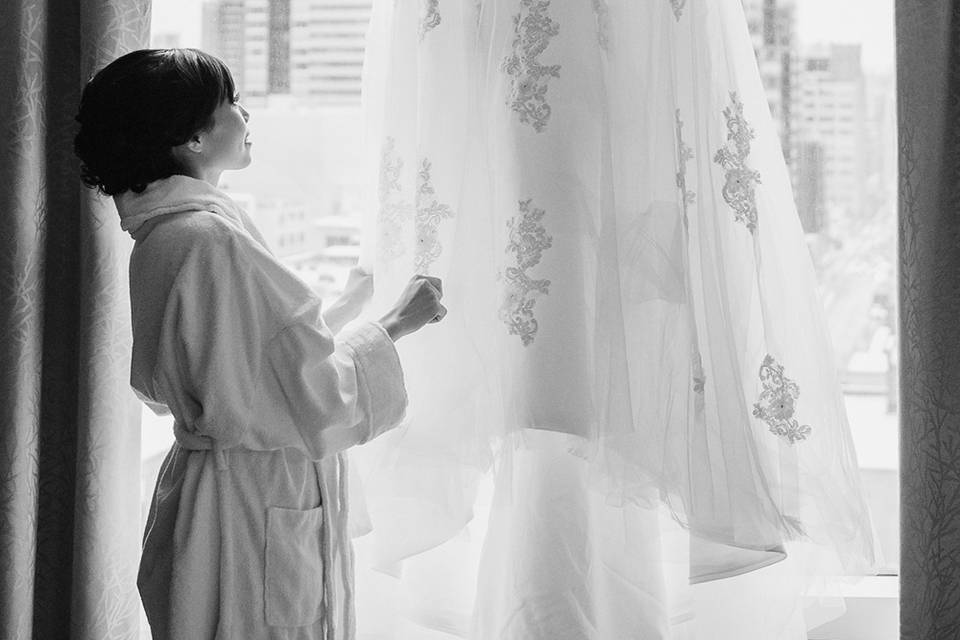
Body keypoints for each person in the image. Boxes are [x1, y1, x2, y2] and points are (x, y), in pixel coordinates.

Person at [74, 48, 445, 640]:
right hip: (250, 504)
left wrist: (347, 306)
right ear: (193, 137)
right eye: (233, 105)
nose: (247, 117)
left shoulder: (167, 235)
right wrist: (395, 323)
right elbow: (316, 401)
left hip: (213, 493)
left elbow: (242, 358)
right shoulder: (211, 240)